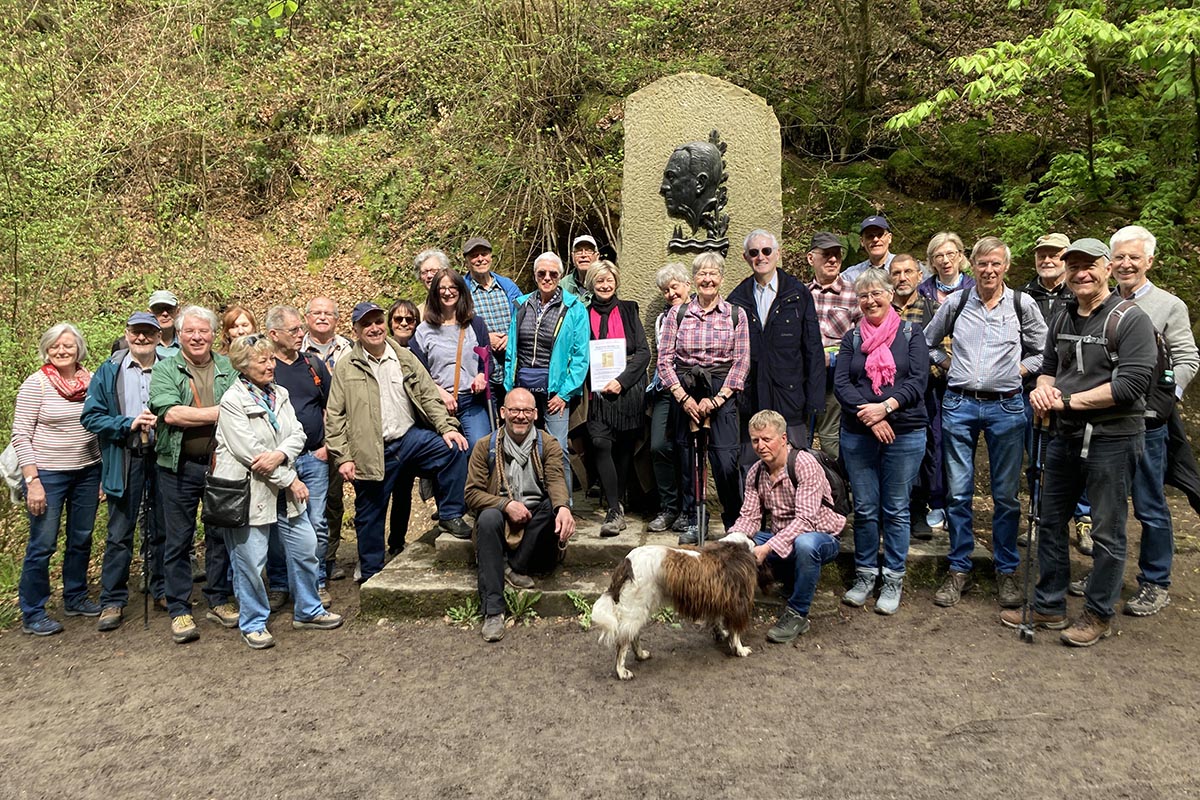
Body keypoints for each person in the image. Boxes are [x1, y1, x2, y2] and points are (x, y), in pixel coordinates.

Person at [1011, 237, 1157, 646]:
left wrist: (1067, 400)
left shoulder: (1130, 319)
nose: (1081, 273)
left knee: (1108, 530)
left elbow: (1130, 385)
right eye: (1073, 265)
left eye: (1089, 265)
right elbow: (1048, 367)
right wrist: (1042, 391)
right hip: (1063, 435)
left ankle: (1097, 613)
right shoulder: (1061, 316)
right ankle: (1050, 605)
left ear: (1107, 268)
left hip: (1113, 437)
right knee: (1050, 520)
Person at [922, 237, 1047, 610]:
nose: (988, 270)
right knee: (958, 494)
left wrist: (1020, 371)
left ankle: (1006, 570)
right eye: (982, 264)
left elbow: (1044, 351)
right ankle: (959, 568)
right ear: (970, 265)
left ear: (1006, 266)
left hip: (1007, 408)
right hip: (959, 404)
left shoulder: (1023, 304)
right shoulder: (957, 303)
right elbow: (928, 342)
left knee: (1006, 496)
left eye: (996, 264)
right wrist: (947, 366)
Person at [325, 302, 471, 583]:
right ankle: (371, 573)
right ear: (355, 330)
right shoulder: (347, 366)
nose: (374, 328)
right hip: (372, 449)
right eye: (366, 324)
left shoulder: (403, 357)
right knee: (370, 513)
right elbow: (334, 416)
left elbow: (429, 394)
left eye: (378, 321)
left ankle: (451, 514)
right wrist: (342, 456)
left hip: (409, 439)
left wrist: (446, 427)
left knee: (453, 449)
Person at [215, 335, 343, 650]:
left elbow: (298, 432)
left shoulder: (280, 394)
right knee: (251, 561)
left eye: (272, 360)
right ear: (244, 366)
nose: (271, 365)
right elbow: (249, 453)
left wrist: (281, 455)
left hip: (283, 485)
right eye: (263, 361)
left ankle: (309, 610)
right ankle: (253, 622)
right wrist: (289, 478)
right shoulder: (232, 400)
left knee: (305, 547)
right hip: (251, 492)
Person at [1103, 224, 1199, 615]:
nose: (1126, 264)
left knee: (1149, 504)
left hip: (1147, 424)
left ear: (1149, 261)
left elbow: (1188, 359)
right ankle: (1105, 575)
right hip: (1107, 419)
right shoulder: (1104, 302)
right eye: (1120, 257)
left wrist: (1163, 402)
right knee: (1107, 505)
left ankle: (1155, 580)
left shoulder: (1168, 305)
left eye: (1134, 257)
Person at [835, 269, 929, 614]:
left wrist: (886, 408)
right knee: (865, 507)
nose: (871, 300)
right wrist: (870, 416)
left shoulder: (911, 333)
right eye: (863, 296)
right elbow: (842, 383)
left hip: (904, 432)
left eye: (877, 293)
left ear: (890, 294)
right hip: (860, 434)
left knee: (896, 509)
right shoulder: (851, 338)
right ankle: (864, 575)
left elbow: (918, 381)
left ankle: (892, 577)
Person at [148, 305, 239, 644]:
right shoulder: (166, 369)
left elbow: (244, 406)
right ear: (180, 335)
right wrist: (223, 411)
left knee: (219, 534)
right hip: (178, 467)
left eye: (204, 331)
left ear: (214, 335)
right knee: (178, 539)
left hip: (221, 464)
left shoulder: (228, 367)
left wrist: (199, 413)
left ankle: (218, 598)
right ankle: (179, 608)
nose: (197, 337)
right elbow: (171, 414)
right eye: (190, 332)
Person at [12, 323, 102, 636]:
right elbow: (20, 434)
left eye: (68, 346)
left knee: (81, 537)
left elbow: (100, 426)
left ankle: (75, 596)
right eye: (55, 347)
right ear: (47, 350)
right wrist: (32, 479)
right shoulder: (36, 384)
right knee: (43, 543)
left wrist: (103, 474)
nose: (62, 351)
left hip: (89, 470)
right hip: (47, 474)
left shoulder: (91, 381)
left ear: (79, 349)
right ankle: (33, 611)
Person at [466, 388, 575, 642]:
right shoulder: (486, 447)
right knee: (488, 517)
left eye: (526, 411)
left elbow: (557, 480)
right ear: (503, 412)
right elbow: (471, 494)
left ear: (536, 414)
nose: (520, 417)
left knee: (554, 505)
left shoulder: (547, 444)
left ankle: (515, 567)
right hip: (502, 528)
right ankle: (493, 610)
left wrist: (564, 509)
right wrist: (505, 505)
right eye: (514, 410)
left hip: (536, 533)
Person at [656, 251, 751, 543]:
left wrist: (718, 399)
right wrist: (684, 398)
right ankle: (697, 520)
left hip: (721, 392)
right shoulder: (678, 314)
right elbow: (664, 361)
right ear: (694, 279)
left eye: (713, 274)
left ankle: (733, 522)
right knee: (689, 461)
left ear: (721, 278)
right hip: (685, 391)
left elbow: (742, 362)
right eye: (702, 274)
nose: (707, 279)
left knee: (724, 461)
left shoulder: (736, 314)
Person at [728, 410, 846, 643]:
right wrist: (731, 539)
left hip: (821, 535)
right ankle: (731, 606)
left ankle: (797, 613)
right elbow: (749, 517)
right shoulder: (755, 472)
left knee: (805, 544)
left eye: (767, 439)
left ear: (783, 439)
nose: (761, 446)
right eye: (755, 440)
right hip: (780, 535)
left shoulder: (804, 464)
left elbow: (805, 521)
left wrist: (768, 548)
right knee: (740, 542)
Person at [81, 312, 167, 631]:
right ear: (127, 334)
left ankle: (160, 589)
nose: (141, 338)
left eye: (148, 332)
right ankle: (113, 600)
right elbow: (91, 417)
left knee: (161, 527)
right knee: (120, 531)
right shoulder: (109, 371)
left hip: (163, 456)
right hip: (124, 456)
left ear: (159, 336)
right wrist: (126, 424)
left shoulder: (171, 366)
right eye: (136, 332)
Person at [1019, 232, 1092, 554]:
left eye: (1054, 255)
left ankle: (1084, 519)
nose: (1047, 260)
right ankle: (1039, 516)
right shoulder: (1021, 295)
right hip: (1032, 392)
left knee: (1080, 459)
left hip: (1077, 393)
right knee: (1036, 459)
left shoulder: (1080, 294)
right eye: (1042, 255)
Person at [726, 229, 825, 455]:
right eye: (754, 252)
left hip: (790, 399)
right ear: (746, 258)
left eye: (766, 250)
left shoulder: (798, 293)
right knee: (751, 467)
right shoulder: (737, 299)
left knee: (794, 464)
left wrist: (814, 402)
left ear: (777, 253)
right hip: (751, 401)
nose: (760, 257)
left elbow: (813, 349)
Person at [504, 251, 590, 500]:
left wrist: (565, 394)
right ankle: (521, 499)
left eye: (553, 273)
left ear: (560, 276)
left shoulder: (574, 308)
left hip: (555, 392)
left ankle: (562, 504)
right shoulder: (521, 305)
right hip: (522, 390)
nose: (547, 277)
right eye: (542, 273)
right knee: (520, 445)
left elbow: (580, 356)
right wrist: (510, 388)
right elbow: (512, 350)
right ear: (535, 275)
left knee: (557, 448)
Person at [263, 306, 333, 609]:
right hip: (278, 462)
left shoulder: (313, 365)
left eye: (299, 329)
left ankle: (316, 580)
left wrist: (328, 445)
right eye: (293, 330)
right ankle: (280, 583)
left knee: (316, 521)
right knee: (279, 525)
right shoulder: (265, 370)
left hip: (314, 456)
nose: (300, 334)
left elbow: (332, 405)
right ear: (273, 335)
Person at [584, 261, 650, 536]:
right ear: (591, 283)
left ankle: (618, 504)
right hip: (597, 390)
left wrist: (621, 382)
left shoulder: (629, 309)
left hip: (627, 389)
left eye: (609, 280)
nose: (605, 285)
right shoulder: (582, 313)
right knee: (600, 442)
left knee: (623, 447)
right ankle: (613, 508)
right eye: (599, 280)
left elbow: (644, 353)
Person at [889, 254, 943, 539]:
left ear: (919, 276)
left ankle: (919, 509)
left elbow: (945, 354)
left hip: (924, 395)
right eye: (896, 273)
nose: (902, 278)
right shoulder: (881, 309)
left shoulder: (934, 310)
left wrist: (917, 374)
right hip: (885, 395)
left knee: (924, 453)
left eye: (908, 272)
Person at [302, 297, 354, 581]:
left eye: (328, 314)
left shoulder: (349, 348)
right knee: (311, 504)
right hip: (311, 438)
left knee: (334, 499)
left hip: (346, 432)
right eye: (316, 313)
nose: (322, 317)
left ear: (337, 319)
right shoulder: (295, 349)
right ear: (307, 318)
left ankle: (329, 555)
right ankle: (309, 562)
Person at [411, 268, 492, 448]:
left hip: (471, 402)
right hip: (439, 406)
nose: (448, 292)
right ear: (435, 293)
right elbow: (418, 372)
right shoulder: (423, 331)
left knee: (482, 448)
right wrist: (439, 392)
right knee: (451, 452)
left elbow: (487, 362)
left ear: (461, 290)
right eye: (442, 288)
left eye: (453, 287)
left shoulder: (475, 324)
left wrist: (481, 376)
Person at [806, 231, 861, 459]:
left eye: (837, 255)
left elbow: (863, 337)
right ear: (811, 259)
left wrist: (836, 356)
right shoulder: (801, 294)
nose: (832, 260)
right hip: (805, 379)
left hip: (836, 379)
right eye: (826, 255)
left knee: (831, 439)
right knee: (800, 438)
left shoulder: (854, 294)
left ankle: (840, 489)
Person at [646, 263, 692, 533]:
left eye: (675, 286)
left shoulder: (700, 313)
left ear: (688, 285)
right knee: (659, 446)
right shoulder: (662, 319)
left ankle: (689, 510)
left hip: (691, 392)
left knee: (689, 451)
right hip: (665, 390)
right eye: (666, 289)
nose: (671, 292)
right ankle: (669, 507)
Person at [462, 236, 521, 411]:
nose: (480, 259)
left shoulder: (508, 287)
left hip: (512, 368)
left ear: (491, 257)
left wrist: (511, 337)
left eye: (484, 254)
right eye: (474, 256)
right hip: (481, 372)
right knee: (491, 424)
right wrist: (486, 338)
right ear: (466, 261)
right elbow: (455, 328)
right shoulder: (461, 293)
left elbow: (524, 318)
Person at [386, 298, 421, 555]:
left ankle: (397, 542)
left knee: (403, 491)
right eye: (398, 319)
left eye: (410, 319)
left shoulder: (421, 350)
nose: (404, 324)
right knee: (377, 496)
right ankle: (372, 552)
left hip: (413, 432)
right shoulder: (380, 350)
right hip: (384, 432)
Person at [918, 232, 975, 304]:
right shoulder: (922, 291)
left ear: (960, 256)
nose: (945, 260)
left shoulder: (974, 289)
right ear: (932, 261)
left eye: (950, 254)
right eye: (939, 256)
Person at [842, 215, 896, 284]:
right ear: (862, 241)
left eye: (880, 234)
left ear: (889, 238)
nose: (875, 239)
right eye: (869, 236)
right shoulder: (850, 276)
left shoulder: (906, 267)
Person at [560, 234, 598, 303]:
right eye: (579, 251)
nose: (583, 255)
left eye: (588, 250)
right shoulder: (563, 285)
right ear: (573, 257)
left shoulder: (604, 282)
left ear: (597, 256)